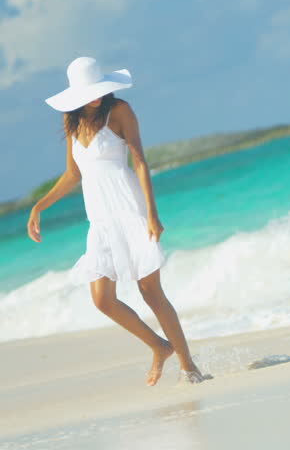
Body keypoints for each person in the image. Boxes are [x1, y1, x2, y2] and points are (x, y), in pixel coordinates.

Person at [27, 56, 211, 386]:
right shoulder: (72, 123)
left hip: (130, 208)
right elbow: (73, 174)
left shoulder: (120, 111)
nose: (97, 96)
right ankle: (159, 347)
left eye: (99, 90)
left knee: (150, 291)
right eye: (90, 92)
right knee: (102, 300)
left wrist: (152, 214)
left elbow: (139, 160)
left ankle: (189, 367)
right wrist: (40, 205)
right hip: (100, 218)